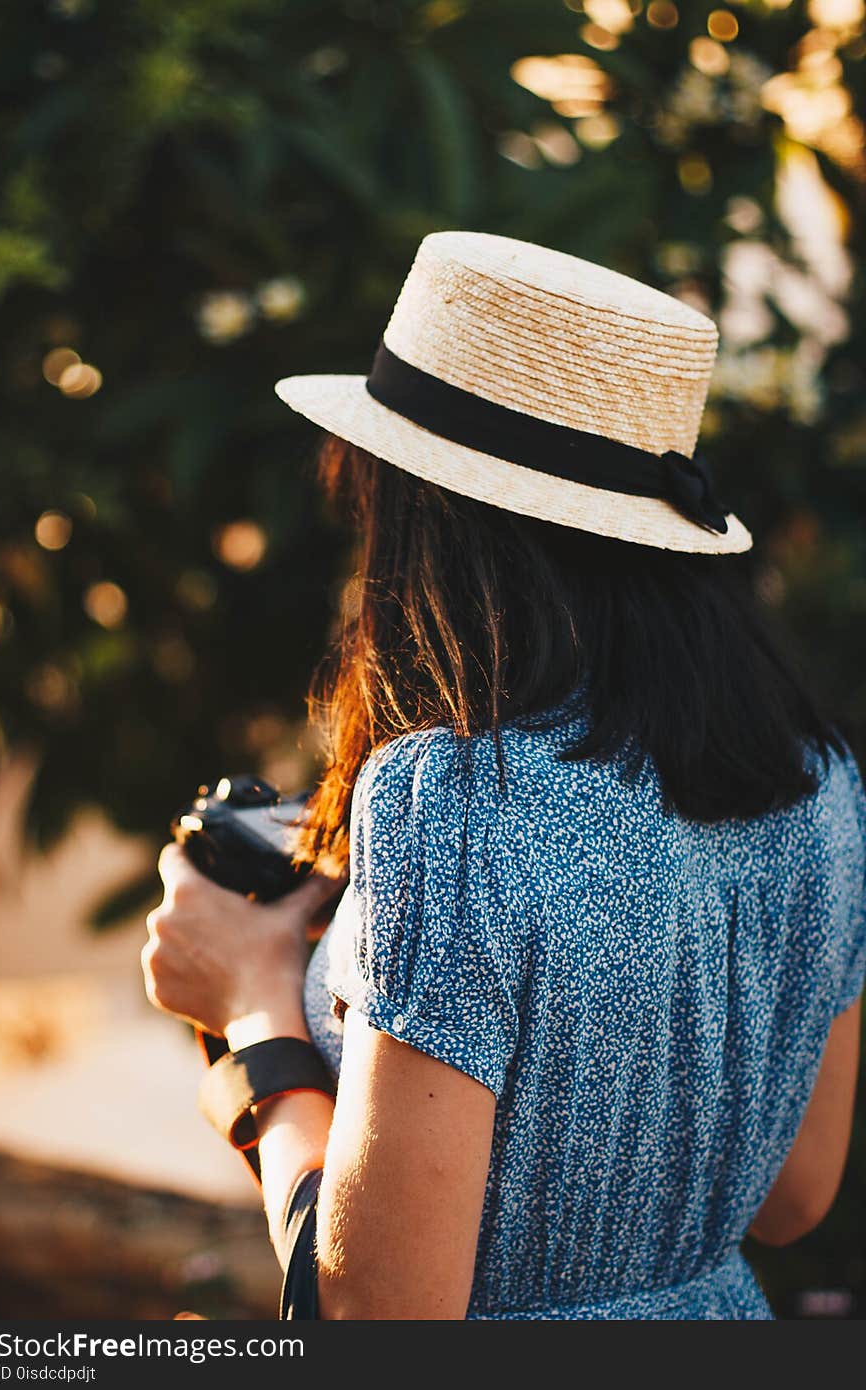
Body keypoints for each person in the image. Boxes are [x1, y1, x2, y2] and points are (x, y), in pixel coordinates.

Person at [142, 232, 866, 1320]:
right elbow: (796, 1197)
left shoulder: (453, 803)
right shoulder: (818, 785)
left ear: (422, 515)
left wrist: (251, 1012)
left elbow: (381, 1312)